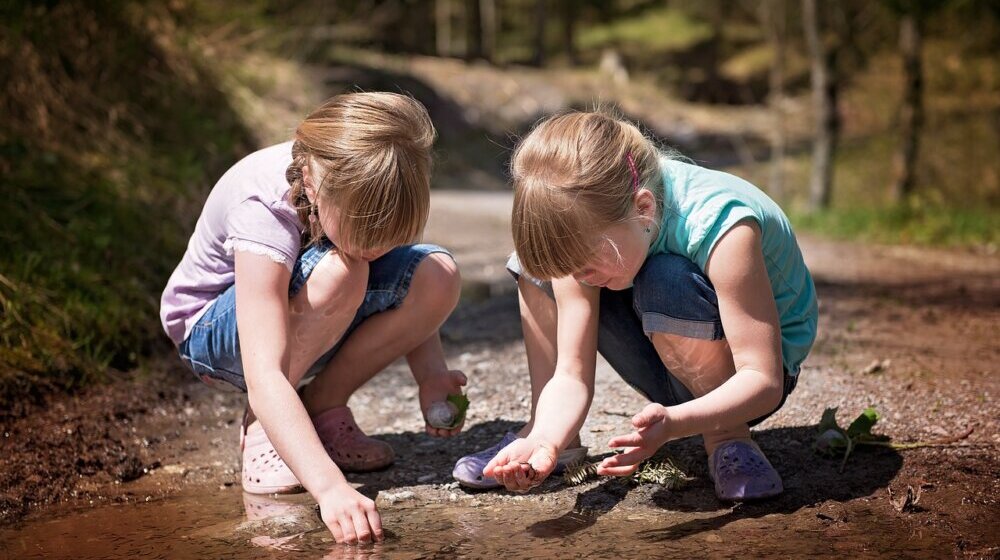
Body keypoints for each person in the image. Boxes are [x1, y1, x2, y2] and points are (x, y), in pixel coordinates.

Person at [453, 110, 817, 501]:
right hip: (667, 364)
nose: (582, 279)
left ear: (643, 208)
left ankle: (727, 437)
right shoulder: (599, 234)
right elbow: (572, 374)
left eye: (589, 265)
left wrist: (674, 424)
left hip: (745, 382)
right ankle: (547, 429)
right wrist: (546, 438)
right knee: (535, 265)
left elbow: (763, 381)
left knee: (665, 278)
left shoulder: (721, 223)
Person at [160, 92, 467, 544]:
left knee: (435, 274)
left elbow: (401, 281)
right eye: (368, 234)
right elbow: (263, 372)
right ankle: (263, 426)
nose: (379, 249)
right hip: (213, 333)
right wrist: (330, 488)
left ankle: (323, 405)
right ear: (310, 181)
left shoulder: (357, 182)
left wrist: (432, 374)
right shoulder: (264, 208)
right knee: (344, 269)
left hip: (308, 311)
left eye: (390, 238)